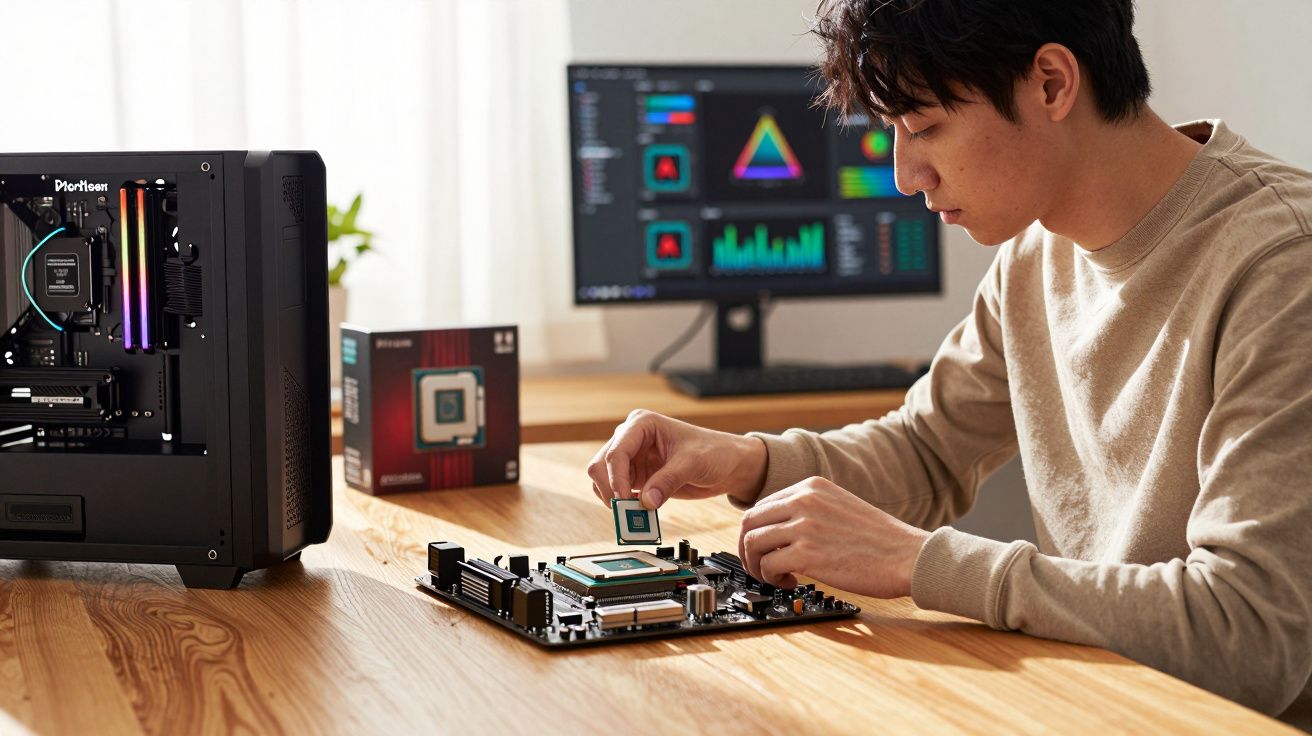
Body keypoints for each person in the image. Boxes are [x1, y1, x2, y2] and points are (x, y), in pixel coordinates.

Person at [587, 0, 1312, 726]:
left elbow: (1249, 634)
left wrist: (918, 562)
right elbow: (927, 452)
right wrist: (744, 459)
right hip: (1099, 702)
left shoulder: (1284, 266)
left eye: (925, 126)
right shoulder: (1034, 252)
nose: (905, 176)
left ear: (1053, 84)